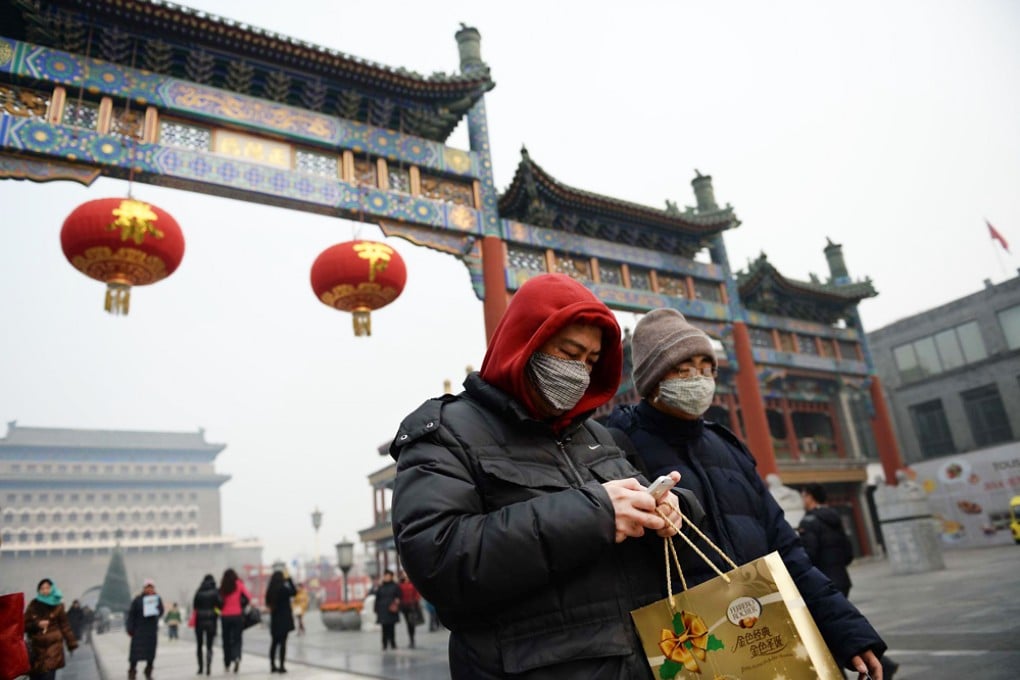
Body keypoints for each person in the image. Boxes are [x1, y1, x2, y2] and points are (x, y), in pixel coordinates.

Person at [389, 273, 683, 678]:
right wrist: (595, 514)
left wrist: (665, 512)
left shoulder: (597, 435)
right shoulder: (447, 432)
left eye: (591, 361)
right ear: (526, 340)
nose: (580, 371)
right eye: (569, 352)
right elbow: (439, 557)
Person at [606, 308, 888, 680]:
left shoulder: (728, 449)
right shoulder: (616, 447)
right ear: (654, 378)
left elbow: (786, 550)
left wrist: (845, 629)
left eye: (707, 367)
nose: (700, 378)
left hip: (764, 634)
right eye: (683, 368)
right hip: (692, 648)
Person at [800, 484, 900, 679]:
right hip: (841, 578)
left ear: (810, 497)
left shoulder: (810, 522)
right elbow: (848, 552)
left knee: (826, 629)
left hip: (821, 582)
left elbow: (807, 557)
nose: (803, 500)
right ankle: (881, 664)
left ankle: (855, 670)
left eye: (804, 496)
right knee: (837, 624)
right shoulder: (834, 518)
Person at [24, 578, 78, 680]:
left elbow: (65, 626)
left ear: (52, 589)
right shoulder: (33, 604)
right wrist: (37, 624)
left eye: (47, 588)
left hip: (53, 647)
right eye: (42, 588)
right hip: (36, 649)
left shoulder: (58, 606)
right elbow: (24, 625)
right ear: (38, 590)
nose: (45, 590)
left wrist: (71, 643)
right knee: (37, 677)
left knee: (48, 674)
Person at [126, 579, 164, 680]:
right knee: (135, 654)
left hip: (151, 631)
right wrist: (130, 628)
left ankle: (148, 670)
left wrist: (157, 608)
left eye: (151, 587)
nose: (149, 589)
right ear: (144, 588)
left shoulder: (157, 599)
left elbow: (161, 611)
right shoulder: (137, 600)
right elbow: (131, 615)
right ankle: (132, 671)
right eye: (148, 587)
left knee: (150, 654)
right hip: (139, 630)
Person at [218, 568, 250, 674]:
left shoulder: (223, 586)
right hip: (237, 615)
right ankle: (237, 657)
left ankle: (227, 662)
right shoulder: (239, 584)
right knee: (237, 639)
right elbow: (248, 597)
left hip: (225, 616)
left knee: (226, 640)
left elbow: (218, 601)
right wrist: (241, 605)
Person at [264, 570, 296, 673]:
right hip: (285, 619)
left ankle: (272, 665)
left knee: (274, 643)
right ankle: (282, 666)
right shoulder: (284, 589)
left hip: (275, 619)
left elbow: (267, 603)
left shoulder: (270, 590)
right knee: (283, 643)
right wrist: (290, 580)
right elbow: (294, 592)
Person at [191, 574, 221, 676]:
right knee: (209, 646)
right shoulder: (215, 592)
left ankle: (200, 668)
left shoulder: (198, 592)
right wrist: (215, 613)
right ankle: (208, 666)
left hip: (199, 621)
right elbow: (219, 606)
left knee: (199, 645)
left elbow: (194, 606)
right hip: (211, 621)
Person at [372, 570, 401, 651]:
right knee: (384, 628)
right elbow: (377, 598)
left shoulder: (395, 586)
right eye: (385, 576)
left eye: (388, 576)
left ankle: (393, 643)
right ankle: (384, 644)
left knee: (391, 628)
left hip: (391, 609)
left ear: (391, 577)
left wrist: (397, 601)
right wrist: (376, 609)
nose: (386, 577)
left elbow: (399, 596)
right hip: (382, 610)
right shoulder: (380, 587)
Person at [397, 572, 422, 649]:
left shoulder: (413, 584)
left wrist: (415, 601)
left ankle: (412, 639)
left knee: (411, 623)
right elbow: (398, 595)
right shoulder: (400, 585)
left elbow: (417, 594)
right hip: (404, 607)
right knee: (408, 623)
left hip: (412, 606)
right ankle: (411, 638)